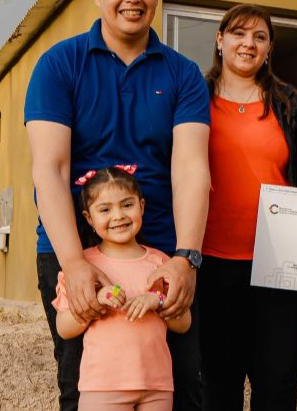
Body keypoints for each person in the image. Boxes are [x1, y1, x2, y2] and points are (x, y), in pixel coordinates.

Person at [24, 0, 210, 409]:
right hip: (73, 243)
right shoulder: (58, 64)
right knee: (82, 384)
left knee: (183, 385)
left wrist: (186, 258)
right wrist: (74, 263)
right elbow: (49, 168)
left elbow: (191, 169)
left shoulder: (184, 74)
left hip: (162, 247)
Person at [198, 3, 297, 411]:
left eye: (260, 37)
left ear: (269, 48)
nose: (249, 43)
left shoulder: (289, 102)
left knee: (276, 386)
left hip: (280, 267)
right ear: (220, 40)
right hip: (211, 263)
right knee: (217, 387)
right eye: (239, 33)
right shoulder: (194, 95)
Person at [54, 166, 192, 411]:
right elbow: (64, 329)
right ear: (89, 218)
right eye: (105, 210)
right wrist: (95, 301)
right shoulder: (84, 268)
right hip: (103, 387)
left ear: (142, 206)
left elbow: (183, 323)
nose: (118, 216)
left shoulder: (162, 263)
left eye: (127, 205)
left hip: (156, 386)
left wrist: (157, 301)